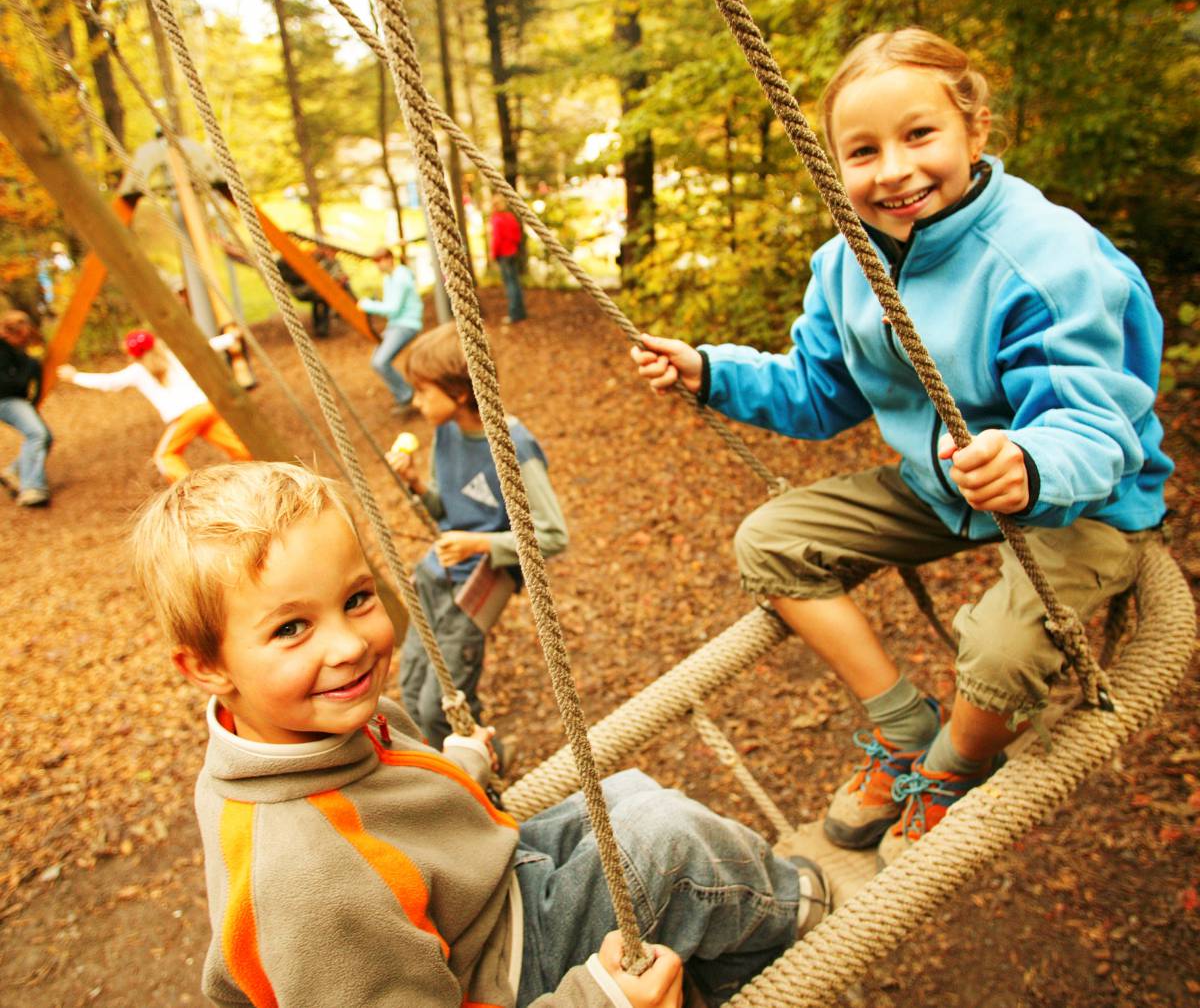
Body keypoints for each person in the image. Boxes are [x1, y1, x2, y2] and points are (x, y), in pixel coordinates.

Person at [631, 27, 1172, 866]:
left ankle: (954, 769)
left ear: (975, 129)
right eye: (862, 150)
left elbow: (1092, 419)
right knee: (772, 540)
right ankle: (906, 730)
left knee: (1000, 645)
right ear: (834, 166)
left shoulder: (1045, 257)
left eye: (919, 135)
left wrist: (1029, 464)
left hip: (1080, 495)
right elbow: (817, 392)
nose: (893, 170)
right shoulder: (848, 264)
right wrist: (708, 371)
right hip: (942, 487)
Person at [130, 459, 832, 1008]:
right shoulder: (307, 887)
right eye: (291, 628)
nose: (349, 645)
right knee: (669, 846)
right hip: (500, 976)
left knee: (626, 793)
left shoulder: (298, 724)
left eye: (356, 600)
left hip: (483, 895)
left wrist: (450, 764)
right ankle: (792, 918)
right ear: (205, 666)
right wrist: (597, 998)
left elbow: (380, 808)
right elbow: (354, 864)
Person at [386, 321, 567, 753]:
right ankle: (452, 769)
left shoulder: (513, 446)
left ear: (460, 392)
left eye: (424, 391)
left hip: (473, 592)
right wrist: (414, 485)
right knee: (411, 697)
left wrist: (480, 544)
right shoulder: (446, 431)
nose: (416, 401)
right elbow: (450, 509)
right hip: (435, 578)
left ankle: (487, 762)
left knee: (438, 709)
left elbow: (554, 535)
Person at [57, 328, 252, 483]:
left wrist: (74, 376)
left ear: (132, 354)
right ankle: (255, 473)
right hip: (206, 408)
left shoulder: (137, 371)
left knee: (165, 456)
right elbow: (204, 347)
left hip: (185, 416)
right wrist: (231, 336)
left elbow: (109, 382)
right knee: (237, 447)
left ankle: (192, 491)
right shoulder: (173, 356)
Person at [358, 246, 423, 410]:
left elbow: (393, 308)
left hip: (406, 325)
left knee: (381, 362)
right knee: (376, 361)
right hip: (395, 325)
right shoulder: (389, 278)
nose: (378, 266)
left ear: (389, 259)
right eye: (376, 262)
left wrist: (367, 305)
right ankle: (404, 394)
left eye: (380, 261)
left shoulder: (401, 277)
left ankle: (406, 395)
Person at [0, 310, 53, 507]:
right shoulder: (3, 351)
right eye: (21, 335)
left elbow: (34, 386)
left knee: (46, 436)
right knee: (37, 434)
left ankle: (14, 472)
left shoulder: (22, 354)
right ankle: (31, 487)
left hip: (18, 400)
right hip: (5, 400)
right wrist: (30, 367)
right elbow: (9, 384)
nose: (25, 339)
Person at [490, 198, 526, 324]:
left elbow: (497, 239)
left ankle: (514, 313)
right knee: (515, 283)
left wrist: (494, 254)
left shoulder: (497, 219)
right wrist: (514, 248)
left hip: (504, 255)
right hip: (512, 253)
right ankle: (521, 312)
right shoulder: (510, 217)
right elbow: (517, 235)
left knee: (510, 284)